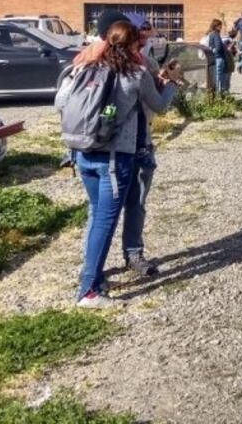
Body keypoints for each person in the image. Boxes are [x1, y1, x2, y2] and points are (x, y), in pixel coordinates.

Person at [57, 20, 182, 308]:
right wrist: (172, 84)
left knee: (96, 215)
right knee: (105, 221)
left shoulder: (86, 68)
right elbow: (160, 106)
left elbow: (61, 103)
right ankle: (89, 291)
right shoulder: (136, 74)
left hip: (82, 152)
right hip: (115, 159)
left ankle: (92, 277)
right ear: (134, 45)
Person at [207, 18, 234, 93]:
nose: (221, 27)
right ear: (216, 26)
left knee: (218, 76)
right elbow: (218, 46)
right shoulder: (215, 34)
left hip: (216, 58)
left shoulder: (211, 34)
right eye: (220, 26)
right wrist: (217, 52)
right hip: (219, 57)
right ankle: (219, 93)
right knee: (219, 77)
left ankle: (219, 93)